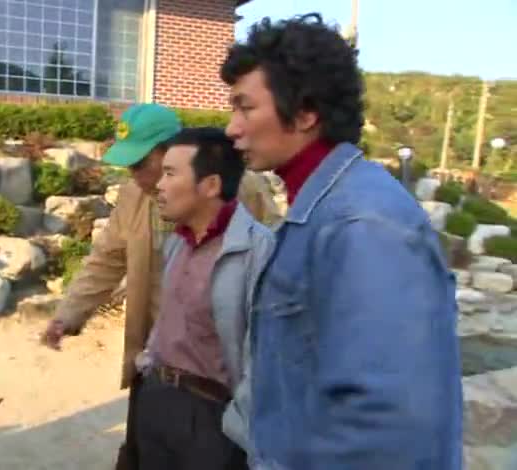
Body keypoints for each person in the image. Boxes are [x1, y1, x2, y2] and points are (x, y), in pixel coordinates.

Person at [222, 14, 462, 470]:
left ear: (306, 113)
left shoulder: (362, 223)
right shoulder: (320, 208)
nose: (232, 127)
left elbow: (385, 421)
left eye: (245, 108)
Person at [39, 103, 280, 469]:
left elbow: (277, 263)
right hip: (155, 368)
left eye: (140, 164)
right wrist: (68, 314)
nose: (134, 175)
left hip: (218, 384)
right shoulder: (134, 198)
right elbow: (105, 259)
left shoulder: (243, 189)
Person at [133, 127, 273, 470]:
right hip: (155, 400)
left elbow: (265, 355)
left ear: (210, 185)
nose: (159, 185)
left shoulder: (258, 250)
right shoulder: (177, 242)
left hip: (211, 418)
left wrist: (241, 424)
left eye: (170, 174)